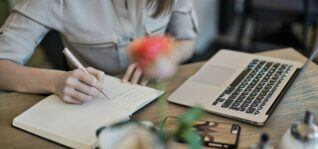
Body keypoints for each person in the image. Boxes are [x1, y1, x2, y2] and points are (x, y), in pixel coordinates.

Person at [0, 0, 198, 104]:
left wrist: (165, 59)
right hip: (90, 103)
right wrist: (56, 81)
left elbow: (187, 39)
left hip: (158, 96)